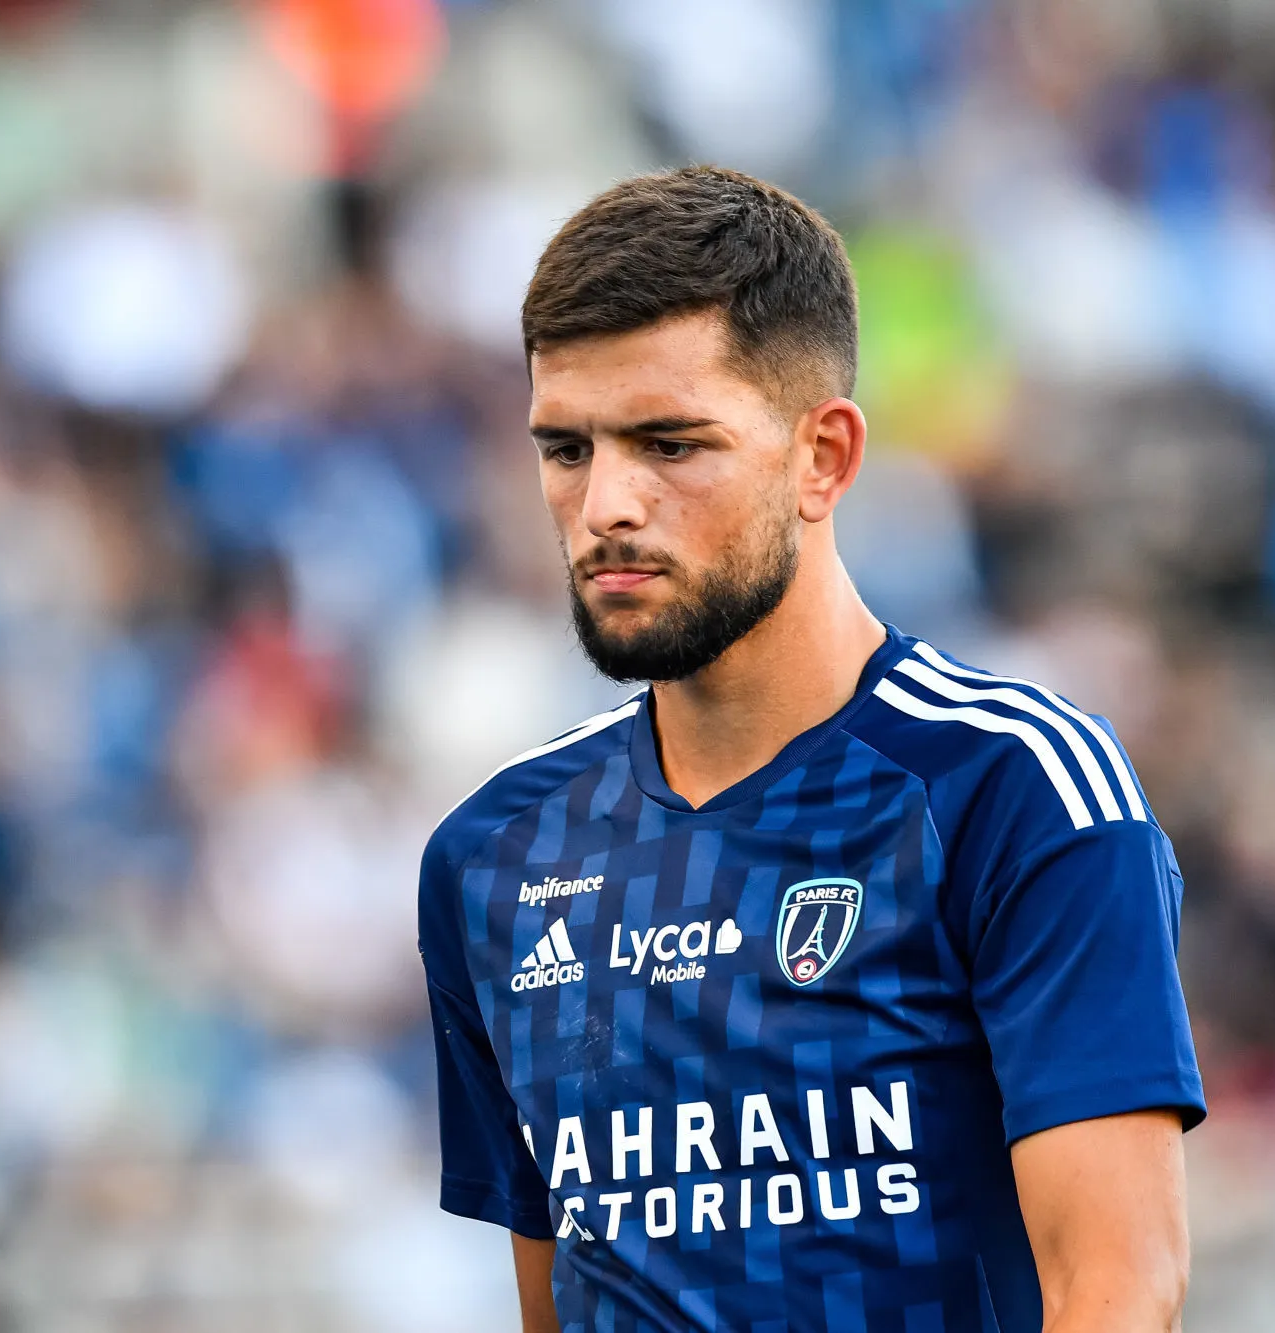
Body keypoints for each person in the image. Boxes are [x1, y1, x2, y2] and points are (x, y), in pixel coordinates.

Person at [416, 166, 1203, 1333]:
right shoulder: (492, 854)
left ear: (822, 457)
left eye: (668, 443)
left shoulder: (1009, 787)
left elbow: (1117, 1289)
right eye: (566, 448)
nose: (605, 505)